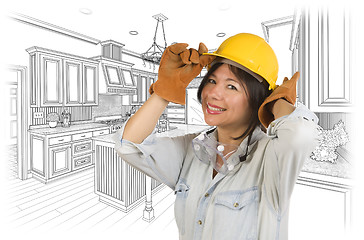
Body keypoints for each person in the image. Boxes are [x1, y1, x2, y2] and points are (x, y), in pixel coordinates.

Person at [114, 33, 320, 240]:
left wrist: (278, 101)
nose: (213, 93)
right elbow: (128, 146)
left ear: (259, 98)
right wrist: (164, 91)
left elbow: (301, 135)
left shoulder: (272, 157)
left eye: (232, 86)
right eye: (211, 80)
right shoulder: (191, 149)